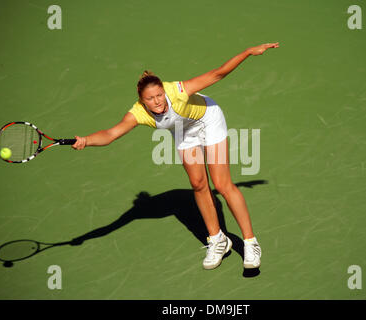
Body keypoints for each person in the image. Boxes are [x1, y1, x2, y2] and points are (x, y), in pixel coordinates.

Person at [72, 42, 279, 270]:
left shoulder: (178, 91)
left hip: (208, 121)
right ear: (142, 101)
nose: (157, 101)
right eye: (150, 99)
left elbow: (218, 73)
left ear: (164, 91)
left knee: (221, 184)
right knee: (198, 184)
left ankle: (250, 242)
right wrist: (86, 140)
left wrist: (249, 52)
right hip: (183, 132)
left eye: (159, 95)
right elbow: (111, 134)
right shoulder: (138, 113)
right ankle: (217, 239)